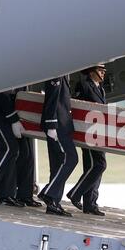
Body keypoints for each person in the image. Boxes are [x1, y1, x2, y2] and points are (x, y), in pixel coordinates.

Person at [66, 65, 107, 216]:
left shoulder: (100, 88)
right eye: (101, 70)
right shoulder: (83, 85)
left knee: (97, 167)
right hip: (88, 132)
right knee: (97, 165)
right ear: (92, 71)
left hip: (98, 132)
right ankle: (75, 193)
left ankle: (90, 203)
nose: (103, 73)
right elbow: (78, 106)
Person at [37, 76, 79, 216]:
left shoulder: (64, 75)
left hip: (61, 125)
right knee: (71, 158)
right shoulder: (57, 75)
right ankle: (49, 193)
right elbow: (52, 98)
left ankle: (54, 203)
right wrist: (52, 124)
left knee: (58, 163)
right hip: (58, 126)